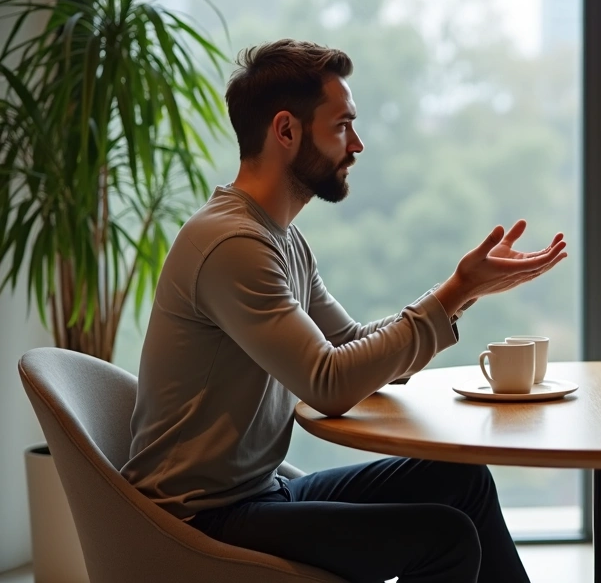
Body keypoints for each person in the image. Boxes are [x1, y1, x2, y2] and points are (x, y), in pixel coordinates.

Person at [122, 39, 566, 583]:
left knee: (462, 480)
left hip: (260, 494)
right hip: (198, 520)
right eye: (341, 126)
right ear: (286, 131)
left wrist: (466, 290)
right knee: (445, 541)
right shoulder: (231, 244)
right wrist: (451, 291)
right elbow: (329, 383)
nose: (356, 144)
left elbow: (353, 345)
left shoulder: (282, 240)